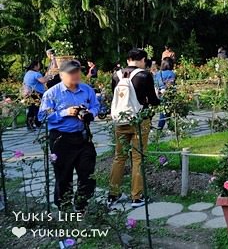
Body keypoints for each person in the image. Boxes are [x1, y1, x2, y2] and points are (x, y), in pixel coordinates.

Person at [38, 60, 99, 211]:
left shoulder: (86, 90)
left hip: (83, 137)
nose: (76, 75)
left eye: (77, 71)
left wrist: (90, 113)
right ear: (61, 75)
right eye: (71, 72)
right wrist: (66, 112)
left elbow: (96, 105)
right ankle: (64, 207)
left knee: (88, 173)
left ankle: (81, 204)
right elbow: (42, 116)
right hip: (61, 139)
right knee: (63, 176)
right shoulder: (52, 93)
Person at [108, 48, 160, 209]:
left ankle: (113, 194)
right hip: (139, 120)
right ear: (143, 59)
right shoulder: (144, 75)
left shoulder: (116, 75)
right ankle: (136, 196)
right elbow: (152, 99)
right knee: (137, 158)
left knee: (119, 157)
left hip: (120, 121)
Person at [22, 60, 47, 131]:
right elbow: (43, 81)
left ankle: (30, 124)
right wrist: (49, 77)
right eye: (39, 65)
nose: (40, 67)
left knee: (31, 109)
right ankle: (37, 123)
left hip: (29, 93)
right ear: (35, 66)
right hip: (36, 94)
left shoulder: (28, 73)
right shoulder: (36, 74)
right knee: (37, 109)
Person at [154, 58, 176, 130]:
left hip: (159, 95)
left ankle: (171, 127)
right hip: (168, 94)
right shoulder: (171, 73)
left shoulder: (157, 73)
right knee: (164, 113)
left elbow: (155, 84)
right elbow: (170, 84)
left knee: (166, 111)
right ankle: (159, 129)